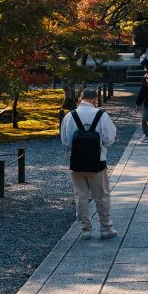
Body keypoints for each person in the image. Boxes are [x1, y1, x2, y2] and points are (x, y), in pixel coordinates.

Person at [60, 87, 118, 239]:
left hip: (77, 162)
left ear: (80, 99)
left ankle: (85, 229)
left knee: (81, 196)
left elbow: (65, 142)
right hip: (97, 162)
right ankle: (106, 228)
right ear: (95, 100)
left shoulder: (70, 116)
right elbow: (109, 139)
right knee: (101, 196)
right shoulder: (102, 115)